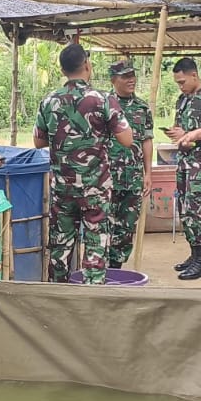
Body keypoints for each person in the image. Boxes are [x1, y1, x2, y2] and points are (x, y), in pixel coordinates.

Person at [34, 43, 134, 284]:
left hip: (62, 188)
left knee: (60, 246)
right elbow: (127, 139)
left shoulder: (49, 101)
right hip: (95, 188)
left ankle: (57, 293)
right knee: (96, 243)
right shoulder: (103, 99)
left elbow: (38, 141)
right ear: (87, 65)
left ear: (62, 70)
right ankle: (92, 293)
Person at [165, 58, 201, 280]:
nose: (180, 86)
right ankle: (194, 254)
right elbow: (182, 128)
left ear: (194, 75)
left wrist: (192, 135)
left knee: (194, 210)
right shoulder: (182, 100)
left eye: (182, 82)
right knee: (184, 210)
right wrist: (177, 133)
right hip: (184, 161)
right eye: (177, 83)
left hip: (200, 164)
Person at [106, 59, 153, 268]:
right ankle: (101, 267)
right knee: (104, 224)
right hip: (107, 177)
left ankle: (116, 268)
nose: (131, 80)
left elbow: (147, 140)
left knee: (126, 227)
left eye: (132, 75)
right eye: (125, 76)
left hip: (133, 177)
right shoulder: (104, 105)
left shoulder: (142, 107)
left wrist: (148, 173)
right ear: (113, 80)